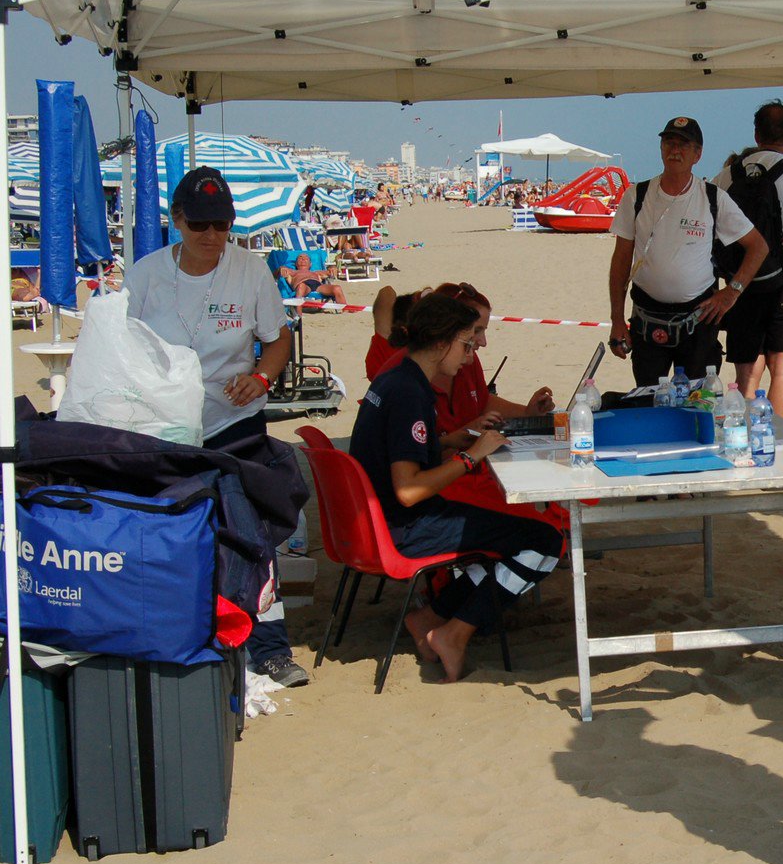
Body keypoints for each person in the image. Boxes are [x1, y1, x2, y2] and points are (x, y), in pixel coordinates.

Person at [123, 166, 308, 688]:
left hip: (234, 422)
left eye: (221, 226)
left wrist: (262, 376)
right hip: (165, 427)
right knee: (177, 532)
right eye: (199, 225)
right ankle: (184, 638)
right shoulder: (145, 276)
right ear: (177, 220)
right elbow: (122, 349)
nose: (211, 237)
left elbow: (277, 339)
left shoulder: (250, 271)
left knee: (251, 533)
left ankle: (270, 647)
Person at [348, 293, 564, 683]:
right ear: (441, 341)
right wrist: (471, 456)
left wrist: (457, 439)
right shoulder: (411, 393)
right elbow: (409, 490)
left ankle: (429, 618)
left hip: (377, 518)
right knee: (543, 541)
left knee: (509, 532)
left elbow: (405, 451)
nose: (470, 354)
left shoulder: (398, 377)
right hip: (401, 526)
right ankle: (453, 632)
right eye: (467, 343)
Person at [607, 116, 768, 386]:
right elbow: (621, 260)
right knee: (649, 402)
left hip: (699, 323)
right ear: (660, 148)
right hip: (647, 321)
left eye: (684, 144)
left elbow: (758, 246)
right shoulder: (637, 196)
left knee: (697, 405)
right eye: (669, 142)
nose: (675, 150)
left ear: (698, 154)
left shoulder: (713, 198)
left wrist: (732, 292)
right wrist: (616, 320)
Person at [711, 102, 783, 419]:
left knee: (747, 379)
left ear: (756, 133)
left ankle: (744, 437)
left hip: (741, 284)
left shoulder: (724, 177)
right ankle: (778, 444)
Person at [279, 252, 348, 306]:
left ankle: (345, 309)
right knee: (301, 286)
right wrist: (280, 269)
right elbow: (278, 272)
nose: (303, 259)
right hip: (303, 285)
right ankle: (298, 315)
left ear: (310, 264)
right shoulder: (291, 271)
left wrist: (333, 268)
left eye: (306, 258)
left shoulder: (316, 272)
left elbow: (330, 272)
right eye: (300, 258)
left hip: (317, 286)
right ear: (296, 263)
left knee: (337, 288)